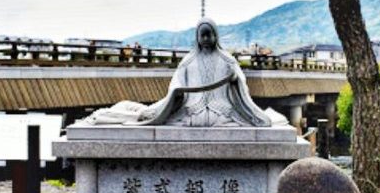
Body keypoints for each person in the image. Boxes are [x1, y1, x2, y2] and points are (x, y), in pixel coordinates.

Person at [81, 18, 271, 127]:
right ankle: (116, 113)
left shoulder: (227, 60)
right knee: (148, 114)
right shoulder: (188, 62)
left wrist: (235, 80)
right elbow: (176, 84)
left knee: (232, 120)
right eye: (202, 35)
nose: (206, 39)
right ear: (197, 37)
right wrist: (177, 93)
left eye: (209, 34)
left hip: (222, 111)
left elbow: (242, 89)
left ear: (216, 36)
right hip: (191, 110)